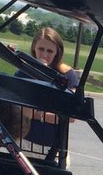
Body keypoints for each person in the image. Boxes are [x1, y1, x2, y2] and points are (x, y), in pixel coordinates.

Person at [22, 27, 79, 158]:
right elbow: (18, 110)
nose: (44, 55)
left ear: (57, 53)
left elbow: (71, 116)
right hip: (24, 141)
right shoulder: (23, 70)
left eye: (50, 51)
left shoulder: (68, 75)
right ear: (34, 49)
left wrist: (39, 114)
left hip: (54, 147)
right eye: (41, 49)